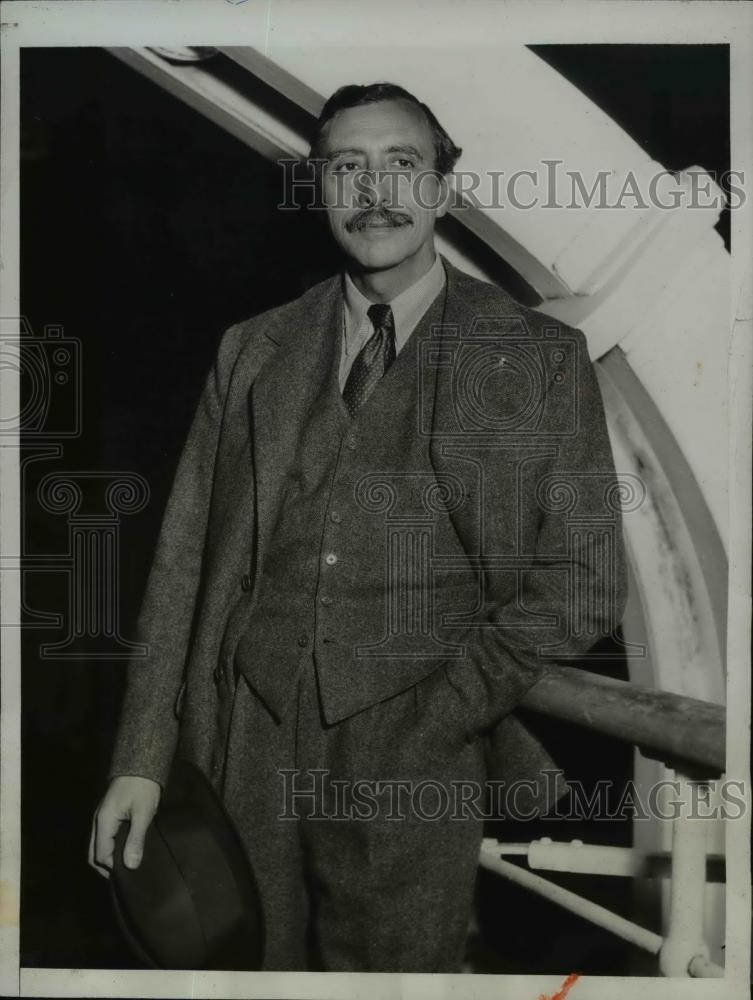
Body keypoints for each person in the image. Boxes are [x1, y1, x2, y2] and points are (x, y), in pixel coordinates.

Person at [90, 82, 627, 972]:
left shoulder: (533, 355)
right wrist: (141, 758)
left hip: (417, 755)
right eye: (347, 167)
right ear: (318, 188)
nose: (374, 190)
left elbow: (583, 578)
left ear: (443, 190)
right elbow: (182, 562)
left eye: (402, 165)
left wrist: (443, 713)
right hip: (241, 736)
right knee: (240, 974)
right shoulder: (252, 347)